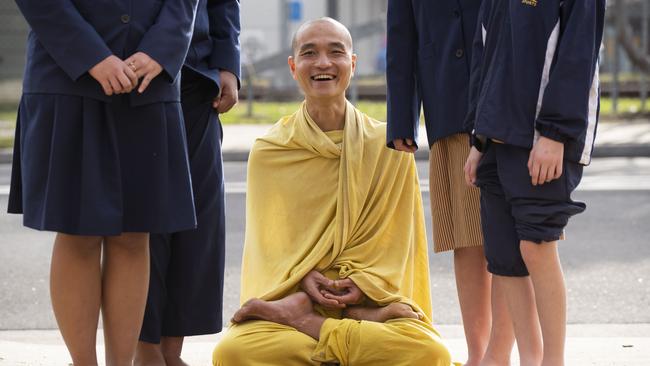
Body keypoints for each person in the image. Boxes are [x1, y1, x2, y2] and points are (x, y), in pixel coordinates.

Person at [212, 18, 457, 366]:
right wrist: (300, 277)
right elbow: (269, 251)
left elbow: (398, 244)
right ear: (294, 66)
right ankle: (323, 325)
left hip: (371, 302)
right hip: (296, 297)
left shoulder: (390, 146)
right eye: (309, 53)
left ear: (352, 64)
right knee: (233, 353)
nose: (323, 63)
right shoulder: (271, 151)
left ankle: (315, 326)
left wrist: (362, 287)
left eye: (335, 52)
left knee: (430, 353)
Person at [8, 1, 198, 365]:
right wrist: (91, 55)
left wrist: (160, 49)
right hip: (68, 77)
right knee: (78, 231)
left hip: (149, 80)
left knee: (135, 233)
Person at [464, 1, 606, 365]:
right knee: (505, 257)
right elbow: (485, 53)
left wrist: (556, 133)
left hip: (543, 136)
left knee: (536, 246)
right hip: (495, 133)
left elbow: (578, 53)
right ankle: (531, 359)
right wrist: (478, 139)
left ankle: (552, 361)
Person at [385, 2, 514, 365]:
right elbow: (401, 34)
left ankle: (499, 353)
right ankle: (478, 354)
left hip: (504, 101)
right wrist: (401, 119)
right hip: (448, 101)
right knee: (465, 239)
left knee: (508, 238)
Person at [135, 1, 240, 365]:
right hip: (136, 69)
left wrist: (228, 63)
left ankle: (170, 351)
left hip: (199, 77)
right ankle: (144, 348)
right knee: (146, 223)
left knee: (200, 220)